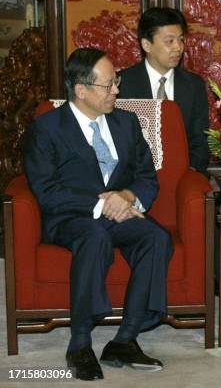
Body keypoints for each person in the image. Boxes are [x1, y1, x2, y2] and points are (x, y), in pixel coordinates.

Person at [24, 48, 173, 381]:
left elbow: (147, 176)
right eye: (108, 85)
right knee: (94, 236)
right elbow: (47, 191)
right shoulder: (47, 129)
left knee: (155, 237)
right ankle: (79, 343)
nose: (117, 91)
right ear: (81, 90)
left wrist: (127, 196)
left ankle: (125, 338)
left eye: (116, 82)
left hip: (119, 211)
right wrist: (101, 203)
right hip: (71, 217)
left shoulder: (126, 122)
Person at [119, 7, 209, 174]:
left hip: (183, 175)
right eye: (169, 41)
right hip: (134, 177)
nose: (178, 48)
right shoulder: (121, 85)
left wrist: (189, 171)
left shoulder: (194, 85)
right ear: (147, 44)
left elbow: (201, 140)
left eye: (181, 40)